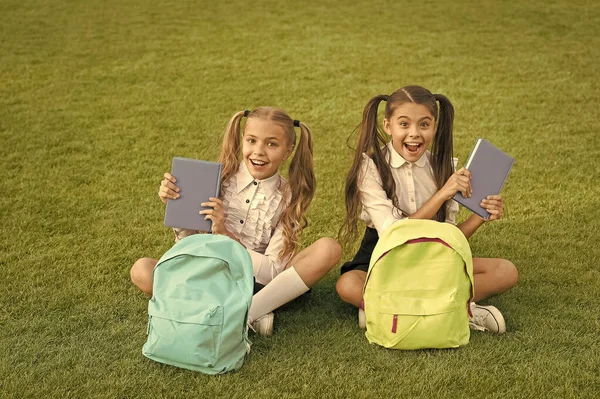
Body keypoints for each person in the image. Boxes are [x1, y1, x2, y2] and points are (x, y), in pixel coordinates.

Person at [131, 107, 341, 336]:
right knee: (142, 270)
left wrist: (225, 236)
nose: (259, 151)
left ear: (288, 151)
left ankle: (243, 313)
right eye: (252, 140)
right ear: (242, 140)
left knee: (329, 248)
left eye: (271, 144)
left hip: (255, 285)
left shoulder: (289, 197)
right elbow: (186, 244)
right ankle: (243, 312)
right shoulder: (216, 179)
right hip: (207, 274)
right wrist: (177, 206)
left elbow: (272, 272)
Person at [336, 86, 518, 334]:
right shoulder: (370, 168)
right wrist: (443, 193)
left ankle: (386, 309)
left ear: (434, 127)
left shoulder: (443, 168)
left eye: (424, 125)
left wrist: (480, 216)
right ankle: (459, 309)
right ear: (388, 126)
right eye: (404, 124)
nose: (414, 134)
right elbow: (392, 232)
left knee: (505, 271)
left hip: (433, 258)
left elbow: (451, 236)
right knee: (347, 284)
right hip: (384, 257)